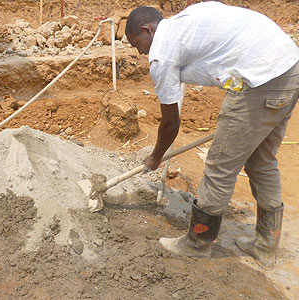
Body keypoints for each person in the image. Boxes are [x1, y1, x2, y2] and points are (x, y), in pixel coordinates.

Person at [125, 2, 299, 270]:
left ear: (146, 30)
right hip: (289, 67)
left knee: (221, 164)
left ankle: (197, 242)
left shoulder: (161, 53)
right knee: (261, 161)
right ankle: (266, 246)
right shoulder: (188, 20)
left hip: (260, 80)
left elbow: (171, 123)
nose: (140, 52)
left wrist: (155, 157)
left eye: (138, 44)